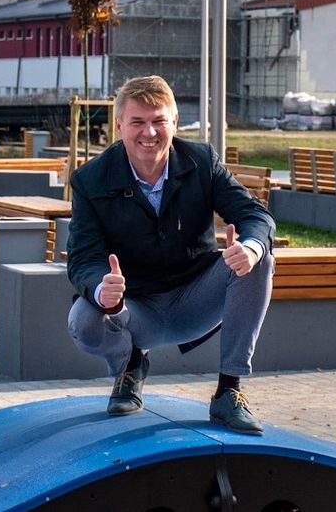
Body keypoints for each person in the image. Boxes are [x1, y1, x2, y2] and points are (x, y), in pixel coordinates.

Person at [66, 75, 276, 434]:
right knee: (83, 319)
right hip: (132, 310)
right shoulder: (90, 180)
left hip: (195, 299)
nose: (149, 133)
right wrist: (103, 288)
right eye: (137, 122)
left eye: (159, 121)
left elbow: (255, 214)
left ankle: (229, 392)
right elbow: (83, 257)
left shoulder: (202, 160)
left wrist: (252, 248)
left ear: (175, 122)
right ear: (119, 126)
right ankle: (129, 364)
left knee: (260, 261)